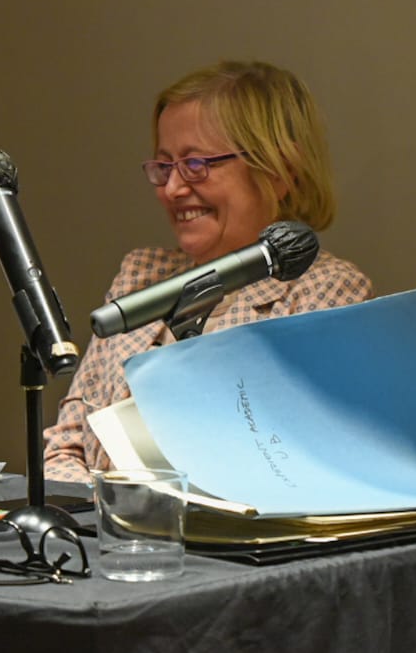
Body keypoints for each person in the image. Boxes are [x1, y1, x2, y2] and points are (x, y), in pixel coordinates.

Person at [43, 60, 374, 483]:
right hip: (114, 541)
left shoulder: (324, 291)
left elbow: (291, 468)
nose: (173, 189)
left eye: (196, 165)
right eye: (164, 167)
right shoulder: (141, 274)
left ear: (279, 173)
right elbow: (65, 451)